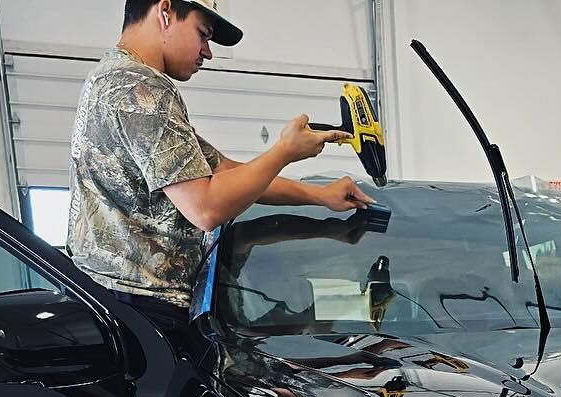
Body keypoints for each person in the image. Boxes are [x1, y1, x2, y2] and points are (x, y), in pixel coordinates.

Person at [66, 0, 374, 342]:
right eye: (203, 34)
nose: (207, 52)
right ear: (165, 11)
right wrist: (284, 151)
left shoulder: (112, 79)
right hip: (145, 312)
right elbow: (206, 208)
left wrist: (319, 195)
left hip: (124, 303)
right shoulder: (139, 89)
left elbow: (225, 172)